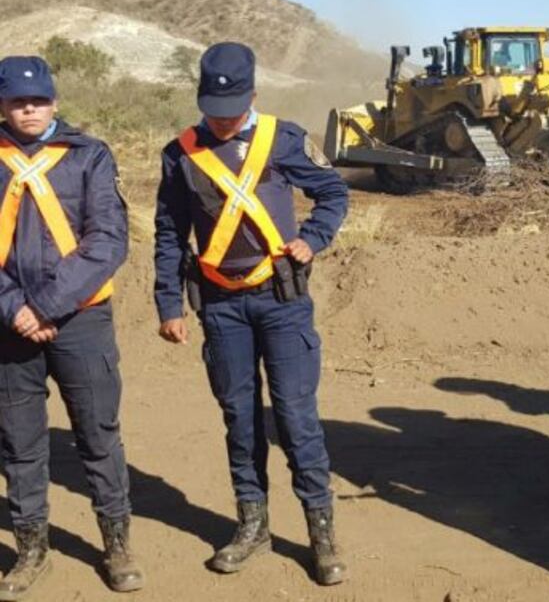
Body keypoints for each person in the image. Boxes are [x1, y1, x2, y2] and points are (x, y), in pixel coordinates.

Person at [153, 42, 349, 585]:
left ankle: (321, 532)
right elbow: (169, 233)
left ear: (254, 96)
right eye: (213, 112)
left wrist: (313, 238)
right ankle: (252, 525)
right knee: (239, 419)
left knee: (295, 418)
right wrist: (170, 303)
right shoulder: (180, 152)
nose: (221, 122)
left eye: (233, 111)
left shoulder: (283, 139)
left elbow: (332, 191)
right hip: (219, 307)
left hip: (282, 303)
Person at [0, 56, 143, 599]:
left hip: (80, 319)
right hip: (9, 325)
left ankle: (117, 542)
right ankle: (31, 550)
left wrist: (48, 305)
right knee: (20, 444)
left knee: (98, 435)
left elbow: (108, 240)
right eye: (17, 100)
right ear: (3, 105)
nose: (29, 109)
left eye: (38, 100)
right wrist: (14, 306)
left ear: (55, 102)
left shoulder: (90, 157)